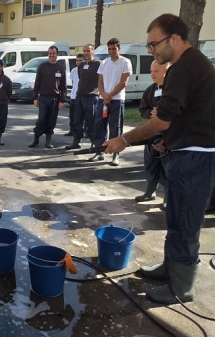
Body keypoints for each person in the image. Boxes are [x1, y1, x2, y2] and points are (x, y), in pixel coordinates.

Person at [103, 14, 215, 304]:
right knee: (176, 217)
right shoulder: (188, 65)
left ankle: (182, 287)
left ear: (174, 38)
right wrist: (170, 133)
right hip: (186, 152)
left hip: (196, 158)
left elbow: (163, 119)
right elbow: (185, 113)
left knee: (187, 222)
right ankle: (170, 267)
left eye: (154, 45)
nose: (152, 51)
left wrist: (124, 139)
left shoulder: (185, 68)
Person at [92, 38, 132, 165]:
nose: (111, 51)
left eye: (114, 48)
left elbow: (124, 82)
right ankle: (99, 152)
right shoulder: (104, 63)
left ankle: (116, 154)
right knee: (99, 125)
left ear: (119, 48)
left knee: (115, 127)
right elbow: (100, 82)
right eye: (109, 48)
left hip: (117, 99)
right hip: (103, 100)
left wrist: (110, 95)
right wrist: (104, 95)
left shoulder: (125, 62)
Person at [135, 60, 169, 204]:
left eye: (156, 71)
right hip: (151, 135)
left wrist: (161, 113)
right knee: (151, 164)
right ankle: (150, 192)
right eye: (151, 71)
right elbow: (142, 110)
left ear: (166, 71)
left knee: (168, 168)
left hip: (169, 137)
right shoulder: (150, 90)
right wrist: (151, 113)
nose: (152, 74)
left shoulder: (172, 90)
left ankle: (168, 198)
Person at [28, 46, 66, 149]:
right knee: (42, 119)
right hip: (43, 98)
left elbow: (63, 85)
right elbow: (37, 82)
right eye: (49, 53)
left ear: (57, 54)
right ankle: (36, 139)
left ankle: (48, 141)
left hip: (55, 98)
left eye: (53, 53)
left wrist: (62, 100)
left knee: (52, 120)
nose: (51, 55)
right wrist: (35, 97)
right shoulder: (42, 66)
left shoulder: (61, 67)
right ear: (47, 54)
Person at [65, 45, 100, 150]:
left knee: (91, 121)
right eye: (84, 51)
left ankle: (95, 144)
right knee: (76, 121)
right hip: (79, 97)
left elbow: (102, 79)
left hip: (91, 97)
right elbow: (80, 79)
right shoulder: (81, 65)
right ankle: (76, 141)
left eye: (88, 50)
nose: (86, 52)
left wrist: (98, 91)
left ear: (93, 51)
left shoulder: (98, 64)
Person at [64, 53, 84, 137]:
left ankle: (82, 131)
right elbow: (73, 83)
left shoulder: (85, 69)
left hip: (82, 96)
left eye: (80, 60)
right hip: (73, 96)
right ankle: (71, 130)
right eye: (77, 60)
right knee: (72, 115)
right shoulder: (73, 70)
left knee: (80, 116)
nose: (78, 62)